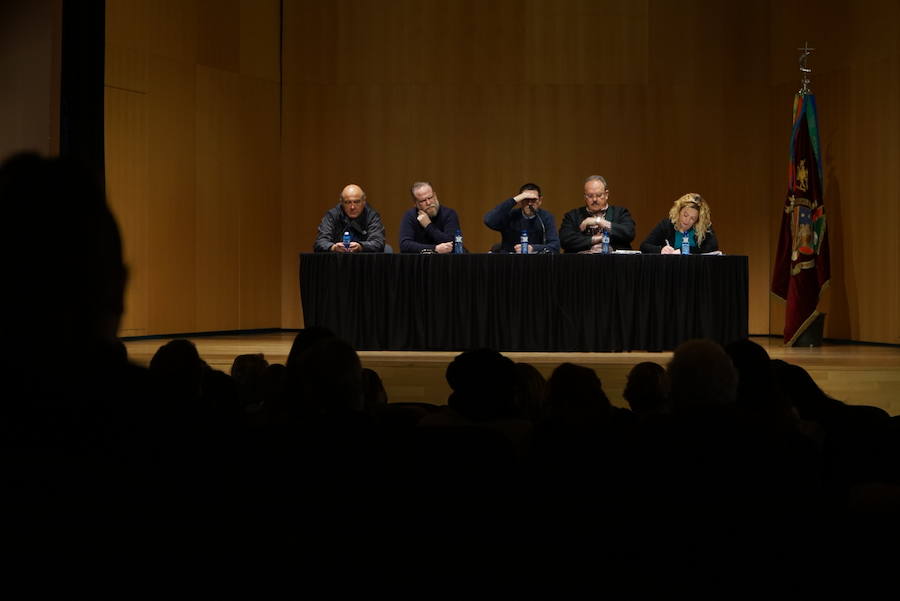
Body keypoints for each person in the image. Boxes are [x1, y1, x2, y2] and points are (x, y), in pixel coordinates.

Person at [559, 175, 635, 252]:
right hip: (582, 262)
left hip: (615, 261)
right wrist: (596, 239)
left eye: (599, 195)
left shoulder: (620, 212)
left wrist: (600, 222)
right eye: (590, 196)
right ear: (585, 196)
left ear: (606, 194)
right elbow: (565, 240)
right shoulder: (572, 216)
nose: (594, 199)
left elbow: (629, 233)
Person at [483, 183, 560, 253]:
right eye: (526, 199)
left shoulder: (545, 217)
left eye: (533, 200)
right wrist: (515, 200)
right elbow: (489, 220)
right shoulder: (511, 216)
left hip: (536, 262)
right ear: (520, 201)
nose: (529, 204)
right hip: (510, 261)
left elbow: (555, 246)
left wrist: (533, 248)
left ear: (540, 201)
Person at [313, 184, 385, 252]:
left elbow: (378, 242)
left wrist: (361, 246)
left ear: (364, 202)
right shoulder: (332, 215)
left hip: (365, 261)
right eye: (348, 202)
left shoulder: (372, 216)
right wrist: (333, 247)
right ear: (341, 203)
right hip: (337, 260)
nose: (352, 207)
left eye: (357, 202)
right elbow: (320, 242)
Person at [640, 193, 718, 254]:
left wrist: (685, 250)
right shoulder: (666, 225)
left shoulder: (704, 227)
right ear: (678, 211)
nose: (687, 221)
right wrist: (661, 250)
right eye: (685, 215)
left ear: (697, 220)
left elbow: (713, 247)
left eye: (692, 218)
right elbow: (644, 246)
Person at [398, 182, 461, 253]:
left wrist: (428, 226)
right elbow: (404, 245)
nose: (428, 203)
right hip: (420, 262)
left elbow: (453, 244)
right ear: (416, 203)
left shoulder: (449, 214)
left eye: (430, 197)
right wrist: (435, 248)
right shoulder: (410, 216)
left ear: (435, 195)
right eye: (423, 200)